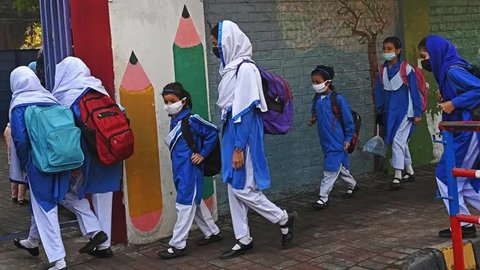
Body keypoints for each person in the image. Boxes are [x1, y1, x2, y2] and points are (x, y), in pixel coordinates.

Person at [210, 20, 295, 259]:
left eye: (217, 44)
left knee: (244, 189)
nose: (215, 48)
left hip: (243, 135)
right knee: (232, 186)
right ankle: (243, 239)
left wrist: (238, 147)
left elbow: (245, 111)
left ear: (228, 42)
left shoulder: (246, 70)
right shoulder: (228, 70)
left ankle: (283, 218)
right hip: (231, 132)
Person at [51, 56, 122, 257]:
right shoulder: (99, 90)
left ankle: (95, 231)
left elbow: (68, 130)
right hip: (110, 150)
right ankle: (103, 245)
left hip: (88, 155)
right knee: (104, 196)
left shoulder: (69, 97)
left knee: (65, 192)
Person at [418, 35, 480, 238]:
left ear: (436, 53)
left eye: (425, 56)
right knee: (463, 181)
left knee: (445, 175)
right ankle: (463, 223)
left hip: (467, 132)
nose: (424, 61)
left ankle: (463, 224)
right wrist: (450, 99)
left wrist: (454, 103)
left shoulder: (452, 70)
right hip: (463, 130)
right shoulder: (449, 70)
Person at [10, 66, 70, 270]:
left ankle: (58, 260)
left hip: (38, 163)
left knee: (46, 208)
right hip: (61, 159)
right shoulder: (50, 98)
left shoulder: (19, 104)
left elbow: (19, 139)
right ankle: (32, 241)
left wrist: (25, 162)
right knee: (43, 203)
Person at [157, 82, 222, 259]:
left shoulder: (191, 120)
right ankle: (213, 232)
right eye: (166, 101)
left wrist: (202, 154)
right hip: (180, 170)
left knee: (184, 205)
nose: (169, 104)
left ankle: (178, 244)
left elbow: (212, 132)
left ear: (183, 101)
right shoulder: (175, 121)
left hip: (190, 170)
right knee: (195, 201)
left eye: (172, 100)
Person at [375, 36, 422, 189]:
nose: (386, 52)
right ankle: (410, 171)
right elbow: (379, 92)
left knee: (397, 140)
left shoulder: (406, 69)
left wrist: (417, 112)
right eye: (384, 49)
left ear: (398, 50)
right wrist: (380, 109)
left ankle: (397, 174)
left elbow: (414, 92)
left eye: (389, 49)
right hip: (390, 112)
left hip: (405, 111)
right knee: (401, 141)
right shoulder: (382, 71)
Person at [308, 65, 358, 210]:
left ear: (327, 82)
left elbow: (349, 121)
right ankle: (352, 185)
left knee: (330, 169)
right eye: (313, 82)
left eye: (317, 82)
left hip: (337, 141)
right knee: (338, 166)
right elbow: (315, 113)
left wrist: (348, 139)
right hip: (325, 140)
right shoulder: (317, 99)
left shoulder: (338, 99)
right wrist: (313, 119)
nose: (315, 85)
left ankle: (323, 198)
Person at [4, 123, 27, 205]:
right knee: (21, 165)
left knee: (12, 162)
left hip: (9, 129)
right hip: (18, 131)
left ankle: (14, 195)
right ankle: (21, 197)